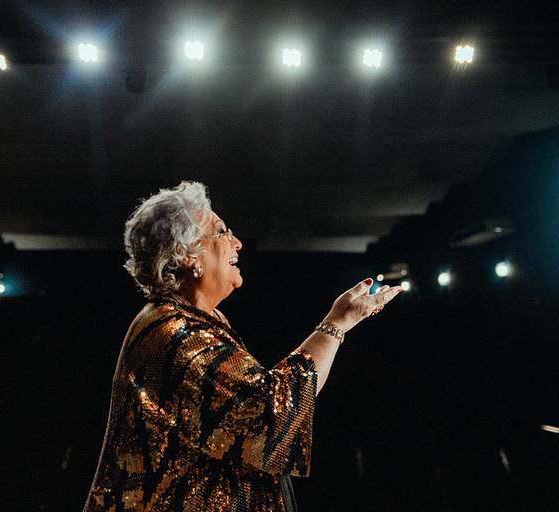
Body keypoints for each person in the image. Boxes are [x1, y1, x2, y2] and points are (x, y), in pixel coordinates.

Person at [84, 181, 402, 511]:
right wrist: (336, 325)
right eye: (222, 232)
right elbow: (270, 414)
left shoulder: (199, 320)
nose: (237, 243)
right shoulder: (177, 334)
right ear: (188, 253)